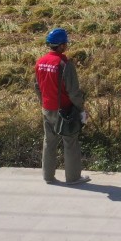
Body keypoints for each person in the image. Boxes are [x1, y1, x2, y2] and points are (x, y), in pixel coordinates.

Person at [35, 27, 88, 185]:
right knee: (70, 143)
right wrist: (81, 108)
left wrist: (43, 102)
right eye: (66, 43)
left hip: (47, 108)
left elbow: (37, 86)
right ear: (62, 45)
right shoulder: (64, 64)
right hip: (65, 111)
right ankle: (73, 178)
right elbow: (73, 92)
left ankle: (48, 176)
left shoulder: (40, 62)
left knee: (49, 142)